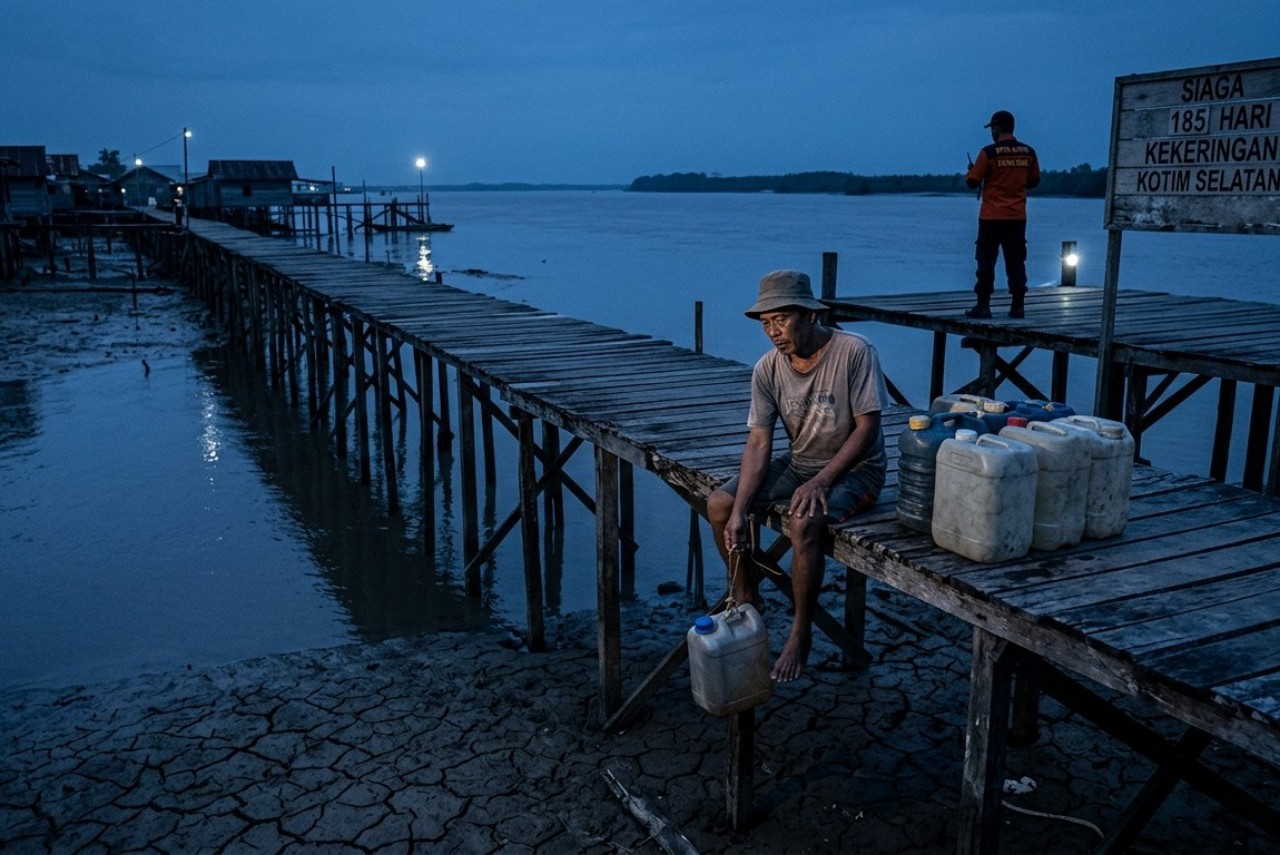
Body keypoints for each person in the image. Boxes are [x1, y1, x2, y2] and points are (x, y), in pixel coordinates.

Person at [707, 270, 888, 682]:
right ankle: (747, 590)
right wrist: (740, 510)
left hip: (857, 470)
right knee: (720, 505)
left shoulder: (854, 351)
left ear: (809, 315)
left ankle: (801, 631)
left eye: (781, 319)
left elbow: (868, 428)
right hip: (800, 462)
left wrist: (823, 480)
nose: (773, 331)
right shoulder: (768, 368)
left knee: (802, 520)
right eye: (766, 323)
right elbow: (758, 443)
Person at [964, 110, 1041, 319]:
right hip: (1017, 217)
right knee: (1016, 261)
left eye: (992, 128)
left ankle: (983, 305)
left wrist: (972, 172)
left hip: (991, 217)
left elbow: (972, 182)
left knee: (986, 261)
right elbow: (1034, 181)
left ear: (997, 128)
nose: (992, 132)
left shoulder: (989, 153)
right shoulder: (1029, 152)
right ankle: (1018, 306)